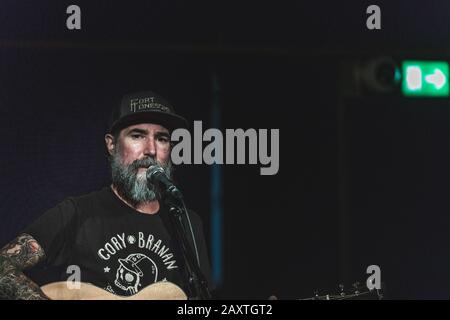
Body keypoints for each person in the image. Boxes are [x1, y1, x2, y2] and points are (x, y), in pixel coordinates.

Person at [0, 91, 213, 300]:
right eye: (137, 136)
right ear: (111, 145)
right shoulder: (77, 212)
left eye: (162, 138)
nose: (151, 150)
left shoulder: (187, 223)